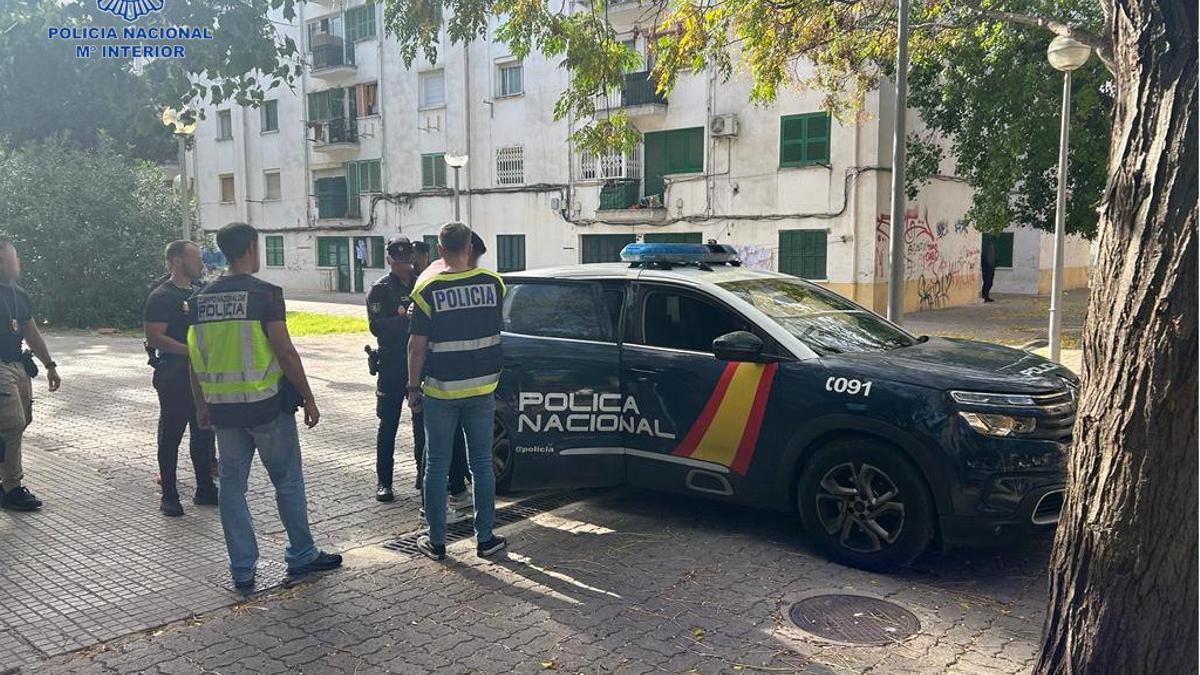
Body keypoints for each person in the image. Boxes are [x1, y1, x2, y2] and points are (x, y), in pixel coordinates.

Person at [188, 222, 342, 589]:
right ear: (250, 249)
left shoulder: (199, 301)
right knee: (287, 480)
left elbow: (196, 358)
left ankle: (242, 568)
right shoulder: (265, 295)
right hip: (265, 406)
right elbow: (285, 351)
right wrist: (308, 395)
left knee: (231, 486)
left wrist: (201, 405)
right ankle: (302, 554)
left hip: (223, 410)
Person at [407, 223, 506, 560]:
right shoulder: (494, 284)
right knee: (481, 463)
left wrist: (411, 387)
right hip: (482, 388)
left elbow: (416, 347)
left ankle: (436, 542)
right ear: (469, 246)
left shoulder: (427, 289)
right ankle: (486, 539)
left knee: (436, 464)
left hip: (442, 391)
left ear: (439, 249)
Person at [144, 240, 218, 517]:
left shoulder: (200, 292)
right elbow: (155, 336)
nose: (201, 263)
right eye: (195, 258)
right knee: (171, 433)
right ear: (177, 261)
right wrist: (190, 351)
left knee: (202, 431)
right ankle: (170, 495)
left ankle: (204, 487)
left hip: (202, 373)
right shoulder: (162, 296)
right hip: (174, 373)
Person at [0, 238, 61, 512]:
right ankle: (11, 486)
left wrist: (49, 364)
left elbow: (31, 331)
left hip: (18, 365)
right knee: (12, 422)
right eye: (14, 258)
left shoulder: (19, 294)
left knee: (22, 420)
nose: (19, 262)